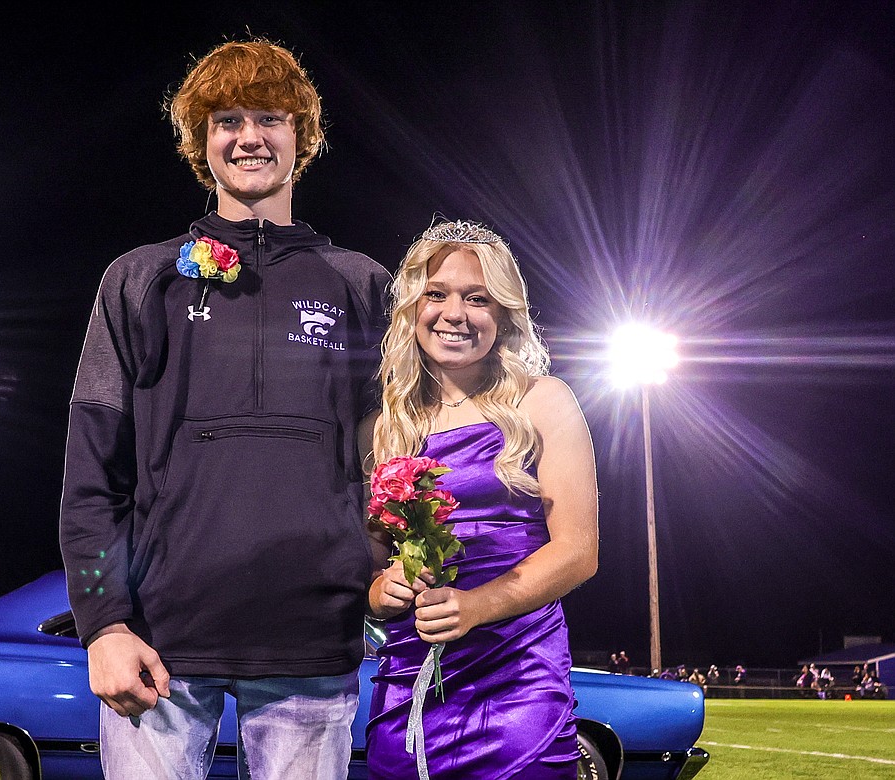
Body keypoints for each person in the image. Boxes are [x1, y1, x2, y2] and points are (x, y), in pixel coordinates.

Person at [58, 39, 391, 780]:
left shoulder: (363, 285)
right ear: (199, 142)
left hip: (314, 643)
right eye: (226, 120)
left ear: (302, 136)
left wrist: (386, 579)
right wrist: (102, 625)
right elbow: (90, 476)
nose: (248, 136)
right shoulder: (139, 279)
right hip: (157, 647)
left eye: (269, 117)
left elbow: (395, 467)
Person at [362, 220, 599, 779]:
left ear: (505, 314)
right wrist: (380, 590)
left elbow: (579, 551)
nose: (455, 313)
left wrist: (476, 608)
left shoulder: (545, 401)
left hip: (517, 679)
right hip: (410, 677)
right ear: (411, 309)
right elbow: (368, 566)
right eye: (436, 294)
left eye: (477, 299)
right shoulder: (384, 426)